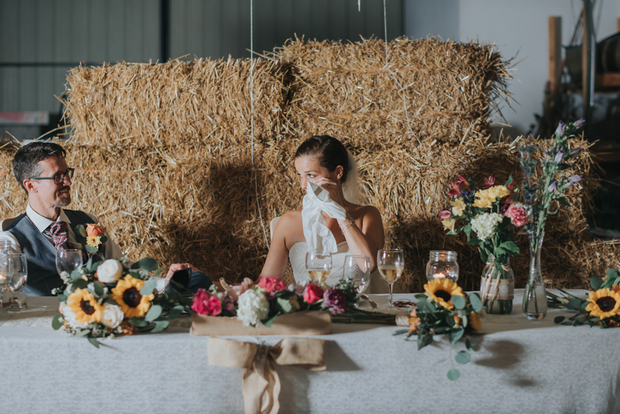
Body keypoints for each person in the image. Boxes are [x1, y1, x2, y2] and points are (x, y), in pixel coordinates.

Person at [0, 142, 208, 296]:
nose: (69, 182)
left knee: (196, 280)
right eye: (58, 177)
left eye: (67, 173)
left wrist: (166, 282)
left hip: (105, 314)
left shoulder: (88, 221)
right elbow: (8, 292)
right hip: (52, 323)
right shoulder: (11, 239)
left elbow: (122, 269)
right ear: (31, 185)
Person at [260, 135, 387, 292]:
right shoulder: (289, 222)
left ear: (338, 172)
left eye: (311, 175)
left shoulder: (367, 215)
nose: (303, 185)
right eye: (300, 175)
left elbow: (370, 265)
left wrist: (340, 213)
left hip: (355, 312)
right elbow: (265, 283)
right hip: (307, 313)